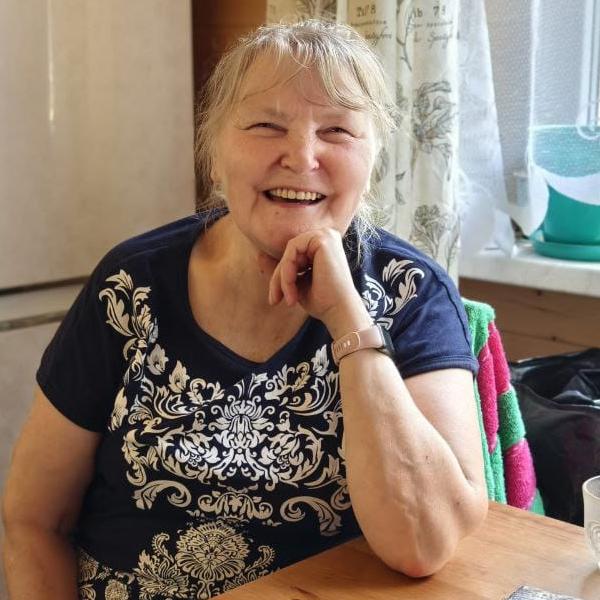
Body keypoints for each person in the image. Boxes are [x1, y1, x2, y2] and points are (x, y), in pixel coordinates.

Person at [2, 19, 488, 600]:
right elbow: (33, 520)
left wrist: (349, 322)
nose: (302, 156)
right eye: (266, 125)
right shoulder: (129, 287)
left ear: (372, 160)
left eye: (337, 130)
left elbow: (423, 543)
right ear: (214, 154)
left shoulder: (411, 294)